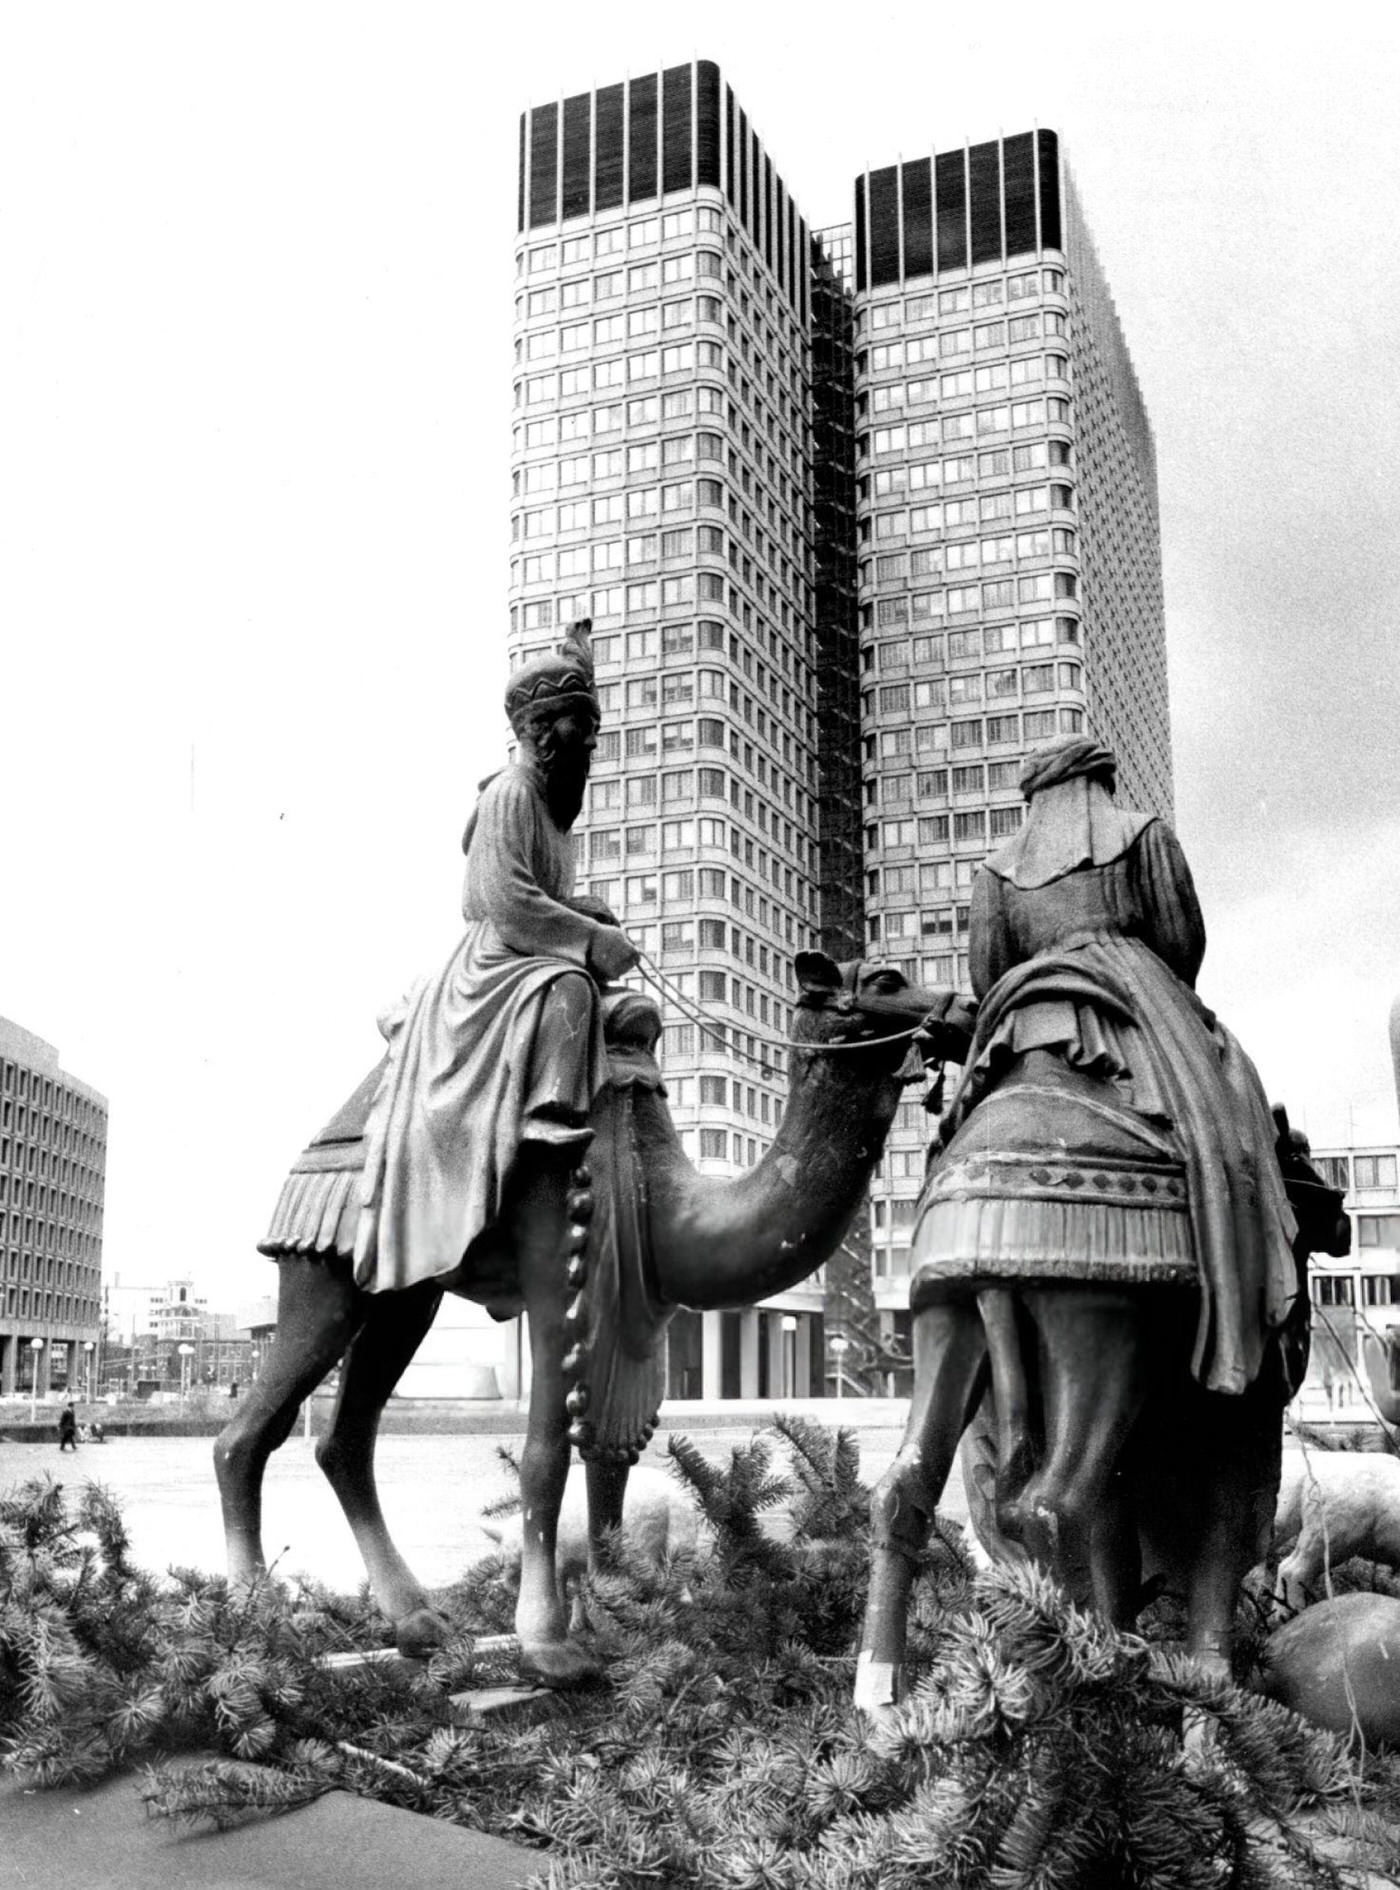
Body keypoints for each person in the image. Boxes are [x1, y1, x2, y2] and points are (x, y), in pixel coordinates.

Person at [940, 732, 1297, 1399]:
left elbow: (989, 974)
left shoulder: (995, 869)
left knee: (959, 1127)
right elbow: (1181, 943)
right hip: (1139, 995)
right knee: (1228, 1109)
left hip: (1024, 1010)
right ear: (1099, 782)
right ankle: (1242, 1294)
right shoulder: (1144, 835)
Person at [353, 618, 640, 1300]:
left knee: (582, 983)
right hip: (495, 960)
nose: (592, 740)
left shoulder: (552, 815)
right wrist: (591, 940)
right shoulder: (510, 795)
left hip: (524, 947)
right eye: (580, 724)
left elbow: (545, 896)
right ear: (542, 730)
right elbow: (505, 902)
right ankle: (545, 1112)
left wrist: (586, 910)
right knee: (571, 985)